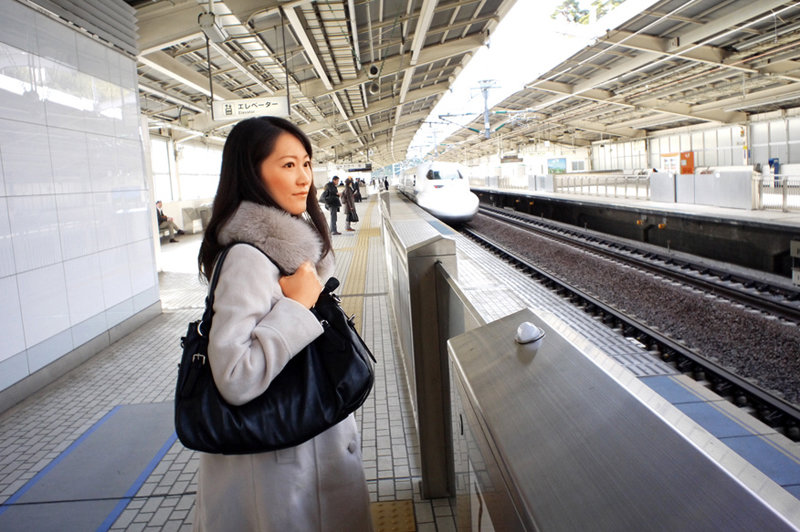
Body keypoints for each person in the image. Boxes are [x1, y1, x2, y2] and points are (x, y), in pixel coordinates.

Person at [195, 116, 372, 531]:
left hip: (298, 454)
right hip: (279, 476)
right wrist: (296, 306)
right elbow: (234, 377)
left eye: (306, 163)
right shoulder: (248, 258)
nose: (304, 178)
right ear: (251, 173)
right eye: (288, 165)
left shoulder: (286, 253)